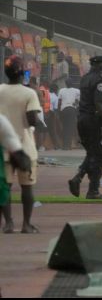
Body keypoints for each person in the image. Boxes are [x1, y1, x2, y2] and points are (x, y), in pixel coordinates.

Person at [0, 56, 42, 233]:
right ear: (23, 73)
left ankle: (8, 223)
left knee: (5, 187)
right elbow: (32, 121)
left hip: (3, 147)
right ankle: (26, 224)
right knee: (27, 188)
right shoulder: (29, 93)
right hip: (25, 146)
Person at [68, 56, 102, 200]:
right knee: (99, 155)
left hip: (82, 119)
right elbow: (99, 104)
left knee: (93, 154)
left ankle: (89, 186)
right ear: (101, 67)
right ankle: (85, 182)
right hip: (94, 121)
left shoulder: (85, 79)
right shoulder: (100, 81)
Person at [57, 79, 79, 150]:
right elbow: (77, 101)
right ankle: (68, 146)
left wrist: (59, 111)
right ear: (72, 83)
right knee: (70, 128)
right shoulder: (76, 91)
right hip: (72, 110)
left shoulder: (61, 90)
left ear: (66, 84)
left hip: (64, 110)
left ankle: (64, 145)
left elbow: (59, 102)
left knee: (65, 127)